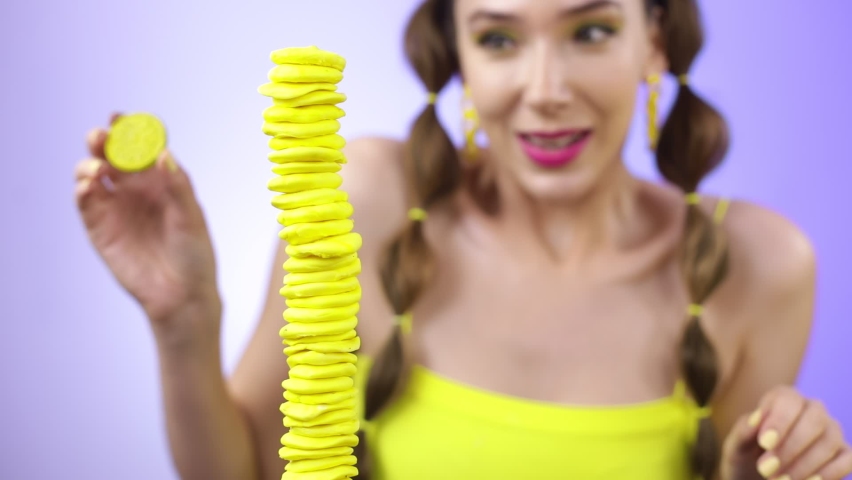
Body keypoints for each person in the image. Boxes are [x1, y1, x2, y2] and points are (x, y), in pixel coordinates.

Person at [74, 0, 852, 479]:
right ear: (458, 54)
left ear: (655, 42)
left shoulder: (760, 265)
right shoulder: (364, 198)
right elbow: (240, 474)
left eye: (591, 29)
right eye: (500, 40)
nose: (546, 91)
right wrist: (183, 320)